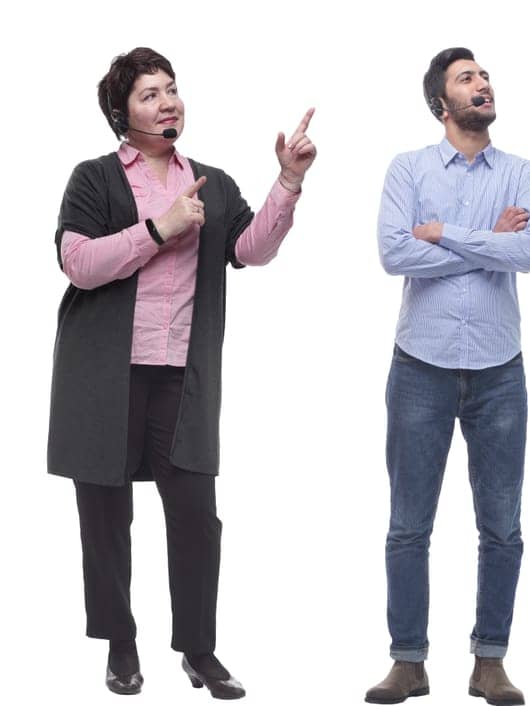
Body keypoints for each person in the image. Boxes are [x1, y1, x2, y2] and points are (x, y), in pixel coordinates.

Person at [49, 46, 315, 699]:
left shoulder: (214, 183)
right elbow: (78, 262)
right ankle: (119, 642)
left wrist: (286, 183)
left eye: (172, 89)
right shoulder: (94, 178)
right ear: (123, 113)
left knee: (196, 515)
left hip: (182, 379)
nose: (168, 101)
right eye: (150, 94)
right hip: (103, 377)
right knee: (105, 516)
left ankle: (199, 649)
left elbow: (251, 249)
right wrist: (159, 228)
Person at [365, 47, 530, 706]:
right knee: (408, 525)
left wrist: (441, 234)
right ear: (443, 102)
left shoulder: (524, 173)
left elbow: (525, 252)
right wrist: (480, 237)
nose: (482, 84)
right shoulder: (407, 169)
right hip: (421, 366)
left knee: (502, 526)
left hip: (500, 369)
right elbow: (394, 252)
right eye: (466, 79)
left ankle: (489, 662)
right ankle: (407, 662)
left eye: (485, 76)